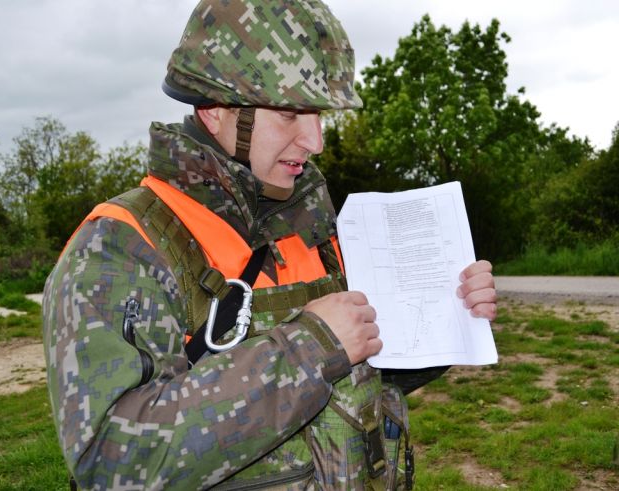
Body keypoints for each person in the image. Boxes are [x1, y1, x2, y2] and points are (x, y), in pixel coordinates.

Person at [42, 1, 497, 489]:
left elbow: (363, 377)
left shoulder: (314, 229)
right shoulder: (120, 247)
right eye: (289, 114)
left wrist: (444, 318)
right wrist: (310, 349)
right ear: (215, 110)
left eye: (318, 115)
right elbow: (111, 462)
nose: (315, 141)